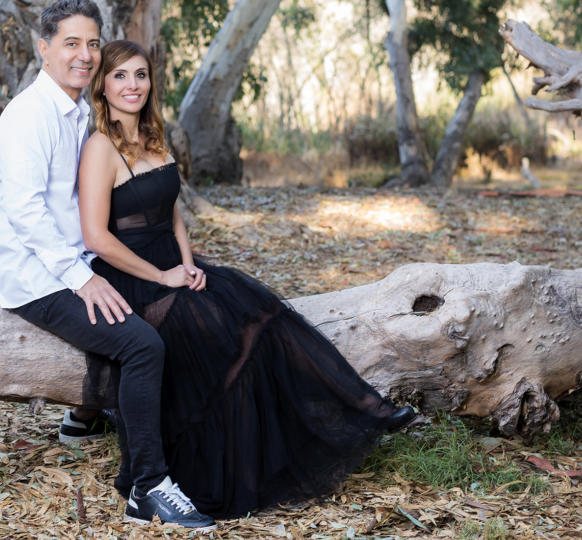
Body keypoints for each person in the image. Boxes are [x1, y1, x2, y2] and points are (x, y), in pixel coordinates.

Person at [78, 39, 416, 520]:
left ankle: (364, 409)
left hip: (172, 264)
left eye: (140, 75)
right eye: (120, 76)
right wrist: (163, 275)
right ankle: (206, 470)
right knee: (217, 335)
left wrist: (188, 263)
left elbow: (173, 214)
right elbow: (96, 236)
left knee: (267, 315)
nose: (132, 85)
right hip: (131, 274)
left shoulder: (155, 139)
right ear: (103, 86)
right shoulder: (100, 148)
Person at [0, 0, 216, 532]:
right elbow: (25, 214)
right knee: (142, 345)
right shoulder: (28, 116)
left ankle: (95, 420)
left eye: (92, 43)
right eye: (71, 43)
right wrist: (83, 279)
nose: (84, 54)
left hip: (81, 261)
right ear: (43, 48)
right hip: (40, 281)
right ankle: (148, 489)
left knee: (183, 315)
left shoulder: (78, 114)